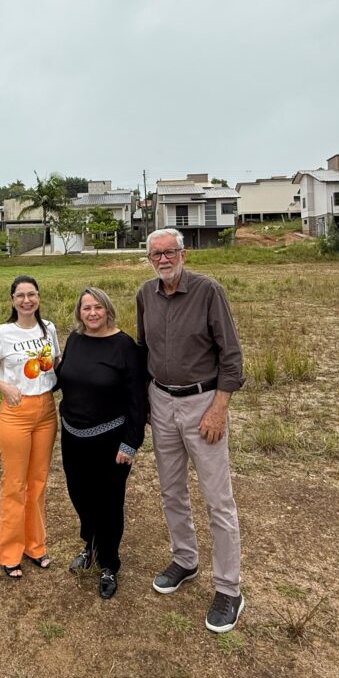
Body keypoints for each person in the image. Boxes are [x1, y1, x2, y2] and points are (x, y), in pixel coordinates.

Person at [136, 228, 246, 632]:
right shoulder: (145, 295)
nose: (163, 260)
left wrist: (218, 409)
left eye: (169, 252)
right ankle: (185, 559)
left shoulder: (208, 291)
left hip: (204, 404)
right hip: (161, 401)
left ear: (183, 253)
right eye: (155, 254)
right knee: (171, 489)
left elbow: (230, 355)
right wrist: (146, 404)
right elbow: (142, 349)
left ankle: (229, 588)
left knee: (218, 499)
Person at [54, 286, 146, 599]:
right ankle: (89, 545)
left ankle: (109, 563)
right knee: (80, 495)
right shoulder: (75, 340)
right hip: (72, 436)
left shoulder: (124, 346)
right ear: (79, 313)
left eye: (98, 307)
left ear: (108, 310)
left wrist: (131, 443)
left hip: (110, 440)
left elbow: (137, 400)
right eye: (86, 308)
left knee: (108, 504)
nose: (92, 313)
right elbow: (63, 378)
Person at [0, 275, 60, 578]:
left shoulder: (48, 328)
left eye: (32, 294)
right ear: (12, 300)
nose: (27, 300)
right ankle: (10, 552)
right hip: (16, 413)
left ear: (39, 297)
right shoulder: (3, 333)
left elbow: (56, 365)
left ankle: (35, 546)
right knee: (15, 484)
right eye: (20, 295)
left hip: (47, 411)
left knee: (37, 482)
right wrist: (4, 388)